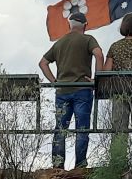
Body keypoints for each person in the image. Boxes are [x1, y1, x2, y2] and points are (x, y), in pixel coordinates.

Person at [39, 9, 105, 169]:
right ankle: (80, 166)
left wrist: (54, 81)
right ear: (85, 25)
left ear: (69, 25)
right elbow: (99, 54)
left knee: (60, 129)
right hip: (83, 90)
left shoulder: (59, 43)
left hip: (62, 91)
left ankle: (57, 166)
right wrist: (98, 79)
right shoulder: (88, 39)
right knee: (82, 128)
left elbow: (43, 63)